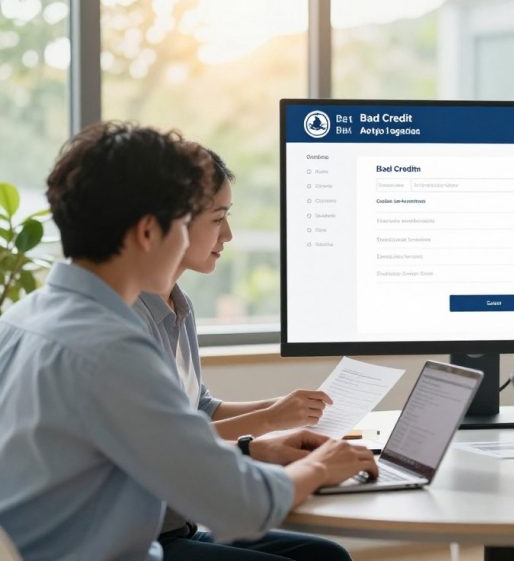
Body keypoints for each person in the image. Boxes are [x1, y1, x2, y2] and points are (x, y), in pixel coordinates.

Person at [0, 122, 378, 561]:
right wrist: (320, 468)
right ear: (147, 232)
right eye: (183, 223)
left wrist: (261, 445)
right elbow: (241, 504)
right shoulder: (112, 348)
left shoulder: (20, 320)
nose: (190, 240)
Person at [131, 148, 349, 559]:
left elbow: (198, 407)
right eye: (217, 219)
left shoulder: (178, 303)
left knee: (326, 556)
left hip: (181, 522)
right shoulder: (130, 321)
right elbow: (167, 443)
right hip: (148, 536)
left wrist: (279, 408)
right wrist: (262, 432)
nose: (228, 235)